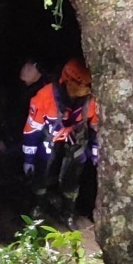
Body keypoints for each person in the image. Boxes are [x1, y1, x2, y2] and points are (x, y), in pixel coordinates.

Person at [21, 58, 99, 222]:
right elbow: (31, 130)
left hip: (75, 143)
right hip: (48, 142)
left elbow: (95, 129)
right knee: (41, 173)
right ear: (68, 81)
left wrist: (95, 151)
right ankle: (39, 205)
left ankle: (68, 210)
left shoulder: (90, 100)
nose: (85, 91)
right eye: (81, 86)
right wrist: (29, 158)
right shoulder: (44, 97)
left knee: (72, 177)